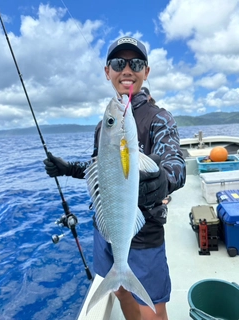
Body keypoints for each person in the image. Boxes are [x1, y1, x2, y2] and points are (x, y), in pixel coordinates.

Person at [43, 36, 186, 320]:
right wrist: (67, 167)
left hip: (143, 234)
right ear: (107, 71)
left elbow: (176, 164)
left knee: (153, 311)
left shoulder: (159, 118)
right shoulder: (103, 126)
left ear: (146, 71)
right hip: (105, 226)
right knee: (120, 290)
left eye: (136, 63)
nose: (127, 70)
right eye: (119, 63)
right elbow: (100, 167)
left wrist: (163, 181)